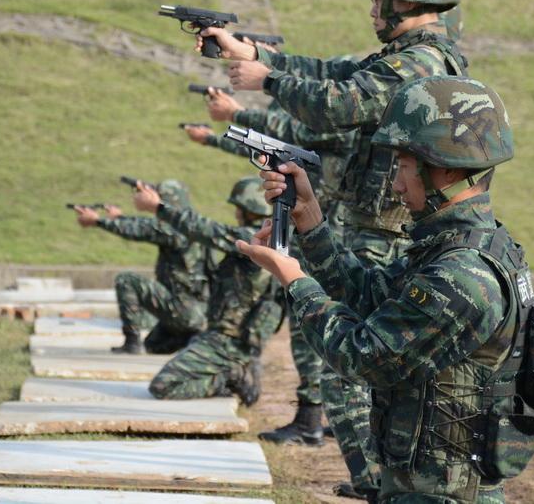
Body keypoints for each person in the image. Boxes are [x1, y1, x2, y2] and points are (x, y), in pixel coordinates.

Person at [195, 0, 469, 500]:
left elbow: (340, 104)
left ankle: (377, 487)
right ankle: (381, 483)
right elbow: (333, 72)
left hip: (385, 235)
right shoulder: (407, 57)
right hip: (377, 229)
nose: (371, 11)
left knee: (345, 370)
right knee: (357, 368)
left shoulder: (418, 64)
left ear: (405, 0)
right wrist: (252, 52)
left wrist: (267, 80)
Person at [238, 76, 534, 503]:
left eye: (402, 167)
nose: (396, 185)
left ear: (446, 169)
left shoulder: (462, 275)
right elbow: (371, 296)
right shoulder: (457, 248)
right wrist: (310, 220)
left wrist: (295, 281)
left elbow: (362, 356)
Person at [184, 89, 358, 446]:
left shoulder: (332, 128)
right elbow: (271, 143)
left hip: (325, 236)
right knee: (312, 329)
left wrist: (239, 112)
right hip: (317, 231)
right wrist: (216, 137)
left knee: (312, 327)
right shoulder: (323, 133)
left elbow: (292, 134)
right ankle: (319, 417)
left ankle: (312, 420)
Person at [132, 176, 280, 406]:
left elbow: (202, 229)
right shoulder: (267, 238)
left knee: (163, 386)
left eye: (238, 208)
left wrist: (158, 207)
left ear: (249, 210)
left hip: (228, 340)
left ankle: (231, 374)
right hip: (225, 333)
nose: (236, 213)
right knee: (156, 343)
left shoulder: (253, 240)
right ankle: (235, 365)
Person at [73, 180, 208, 354]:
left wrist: (98, 221)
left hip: (183, 309)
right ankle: (191, 337)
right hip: (197, 312)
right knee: (153, 345)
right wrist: (119, 219)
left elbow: (143, 229)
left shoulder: (174, 229)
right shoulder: (193, 225)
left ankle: (132, 342)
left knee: (126, 280)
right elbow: (147, 225)